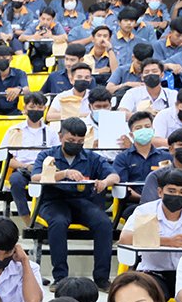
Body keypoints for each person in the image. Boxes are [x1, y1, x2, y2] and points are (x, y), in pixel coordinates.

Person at [31, 117, 120, 287]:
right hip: (53, 201)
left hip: (82, 202)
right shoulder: (47, 155)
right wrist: (63, 173)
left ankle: (102, 278)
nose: (75, 144)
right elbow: (36, 177)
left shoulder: (92, 157)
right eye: (71, 140)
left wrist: (105, 182)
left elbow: (114, 175)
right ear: (60, 137)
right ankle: (60, 278)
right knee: (58, 222)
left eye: (80, 141)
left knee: (103, 223)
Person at [119, 168, 182, 300]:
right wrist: (167, 241)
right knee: (148, 297)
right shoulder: (145, 210)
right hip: (154, 273)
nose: (176, 195)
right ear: (160, 192)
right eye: (171, 191)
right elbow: (125, 238)